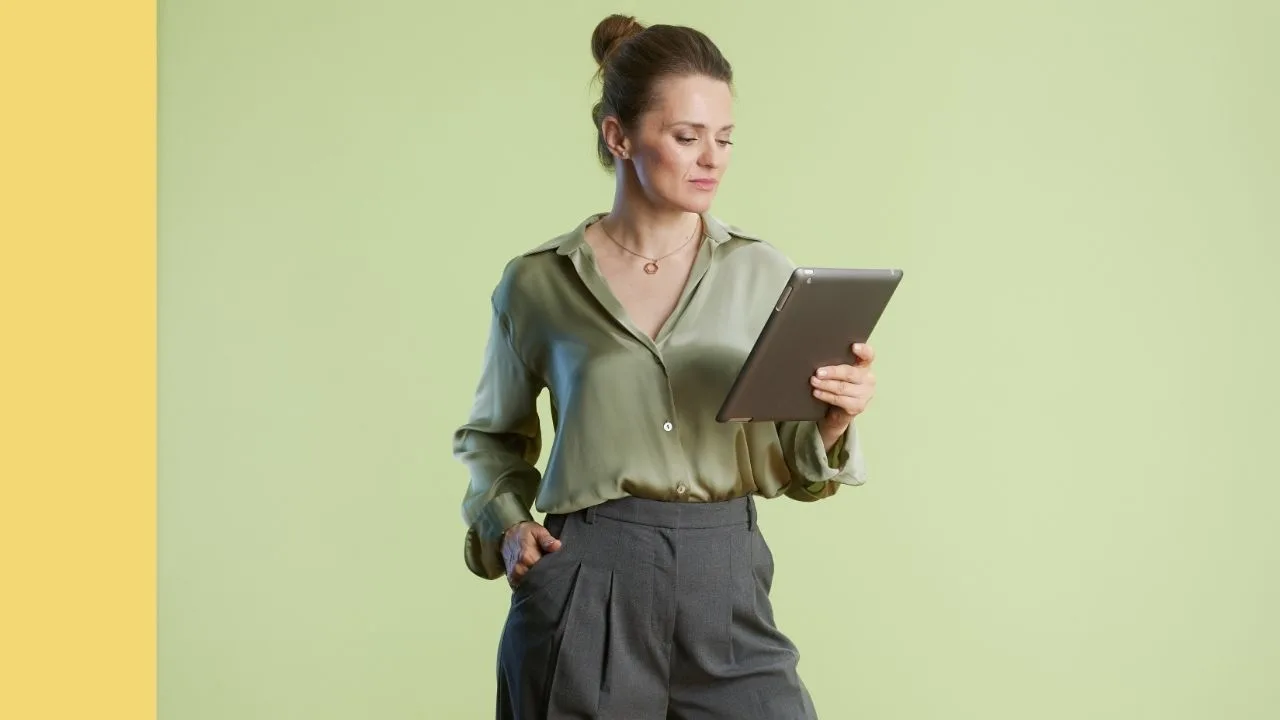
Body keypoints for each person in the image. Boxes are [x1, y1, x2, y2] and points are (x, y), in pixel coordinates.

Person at [453, 14, 878, 720]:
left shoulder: (762, 273)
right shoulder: (537, 283)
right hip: (586, 580)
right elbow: (490, 438)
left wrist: (832, 421)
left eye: (724, 138)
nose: (713, 158)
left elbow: (798, 466)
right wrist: (508, 525)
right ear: (618, 136)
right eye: (687, 137)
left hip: (728, 579)